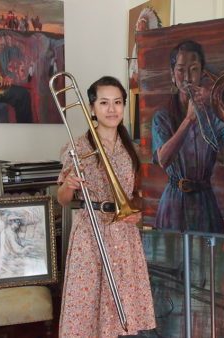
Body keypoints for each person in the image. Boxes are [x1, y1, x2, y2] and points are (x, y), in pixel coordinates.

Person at [57, 76, 155, 337]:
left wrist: (138, 212)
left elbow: (139, 195)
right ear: (91, 108)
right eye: (104, 103)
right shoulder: (76, 147)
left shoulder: (132, 149)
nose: (112, 109)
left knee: (120, 301)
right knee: (88, 299)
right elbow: (62, 200)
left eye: (118, 102)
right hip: (91, 232)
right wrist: (68, 184)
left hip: (124, 233)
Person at [152, 40, 224, 234]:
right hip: (173, 203)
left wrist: (218, 106)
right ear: (172, 75)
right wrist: (189, 120)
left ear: (202, 73)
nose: (187, 77)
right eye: (181, 70)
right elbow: (163, 159)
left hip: (204, 203)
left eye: (193, 69)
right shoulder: (162, 117)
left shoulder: (213, 114)